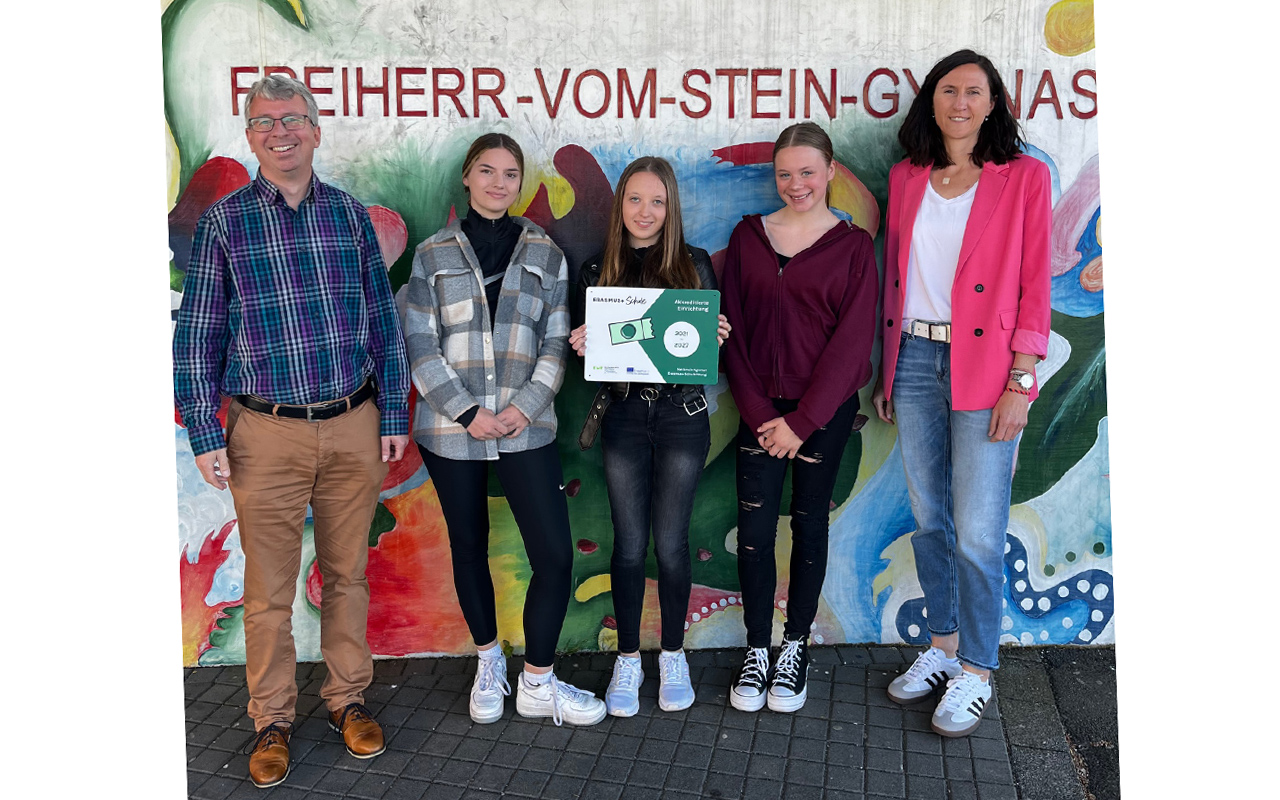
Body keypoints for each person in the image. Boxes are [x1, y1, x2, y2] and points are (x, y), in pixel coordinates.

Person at [173, 75, 411, 787]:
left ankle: (347, 701)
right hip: (264, 433)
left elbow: (382, 321)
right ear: (249, 137)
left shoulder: (347, 217)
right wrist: (203, 433)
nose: (281, 131)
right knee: (269, 591)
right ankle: (271, 719)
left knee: (346, 576)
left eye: (294, 118)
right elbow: (198, 337)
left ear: (316, 129)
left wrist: (392, 413)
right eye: (265, 120)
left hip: (351, 426)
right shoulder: (226, 223)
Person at [872, 49, 1051, 738]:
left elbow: (1036, 283)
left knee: (978, 529)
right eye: (950, 90)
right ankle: (943, 647)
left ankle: (977, 669)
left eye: (975, 92)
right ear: (933, 101)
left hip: (988, 368)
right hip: (915, 359)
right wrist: (888, 370)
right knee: (929, 517)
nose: (962, 102)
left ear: (993, 102)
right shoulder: (908, 177)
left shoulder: (1023, 178)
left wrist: (1021, 380)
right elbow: (895, 279)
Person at [404, 132, 605, 727]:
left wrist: (522, 407)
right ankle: (488, 659)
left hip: (527, 424)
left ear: (521, 183)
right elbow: (419, 341)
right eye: (486, 171)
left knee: (553, 555)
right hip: (450, 428)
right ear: (467, 178)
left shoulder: (544, 251)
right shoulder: (432, 254)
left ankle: (538, 680)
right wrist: (467, 411)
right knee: (467, 546)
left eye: (510, 174)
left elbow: (556, 340)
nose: (498, 183)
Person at [720, 122, 878, 713]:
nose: (796, 184)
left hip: (823, 416)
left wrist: (804, 421)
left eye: (808, 171)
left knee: (809, 525)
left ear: (831, 171)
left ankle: (794, 648)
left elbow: (852, 343)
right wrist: (763, 414)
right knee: (756, 533)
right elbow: (729, 330)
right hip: (759, 412)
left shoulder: (853, 246)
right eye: (785, 173)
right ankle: (757, 649)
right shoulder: (748, 237)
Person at [568, 157, 732, 717]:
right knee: (630, 544)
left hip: (683, 416)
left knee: (671, 543)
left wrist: (719, 335)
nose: (645, 211)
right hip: (624, 417)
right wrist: (583, 344)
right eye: (635, 200)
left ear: (671, 209)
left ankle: (673, 654)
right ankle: (629, 659)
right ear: (620, 207)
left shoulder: (695, 266)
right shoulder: (595, 272)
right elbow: (587, 360)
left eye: (657, 201)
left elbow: (703, 352)